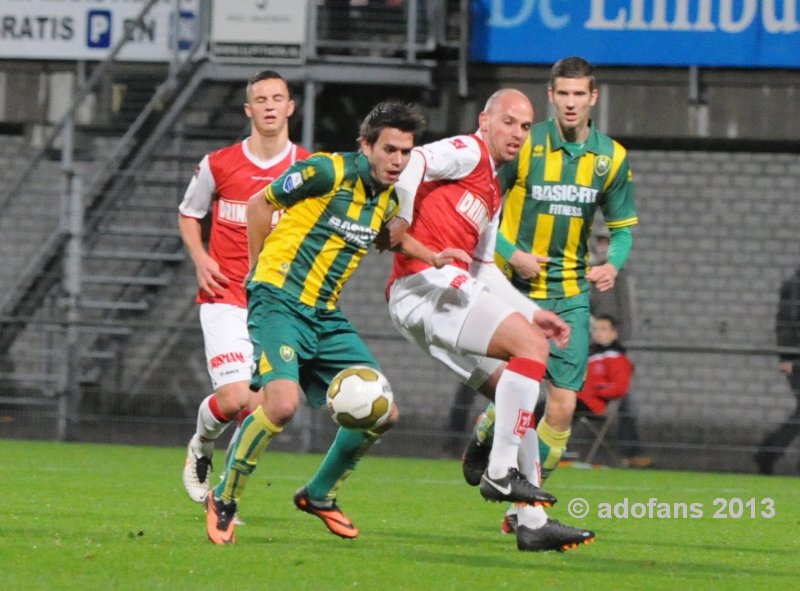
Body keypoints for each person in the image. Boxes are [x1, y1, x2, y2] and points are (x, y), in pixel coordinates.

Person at [204, 101, 461, 545]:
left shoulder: (388, 198)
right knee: (281, 405)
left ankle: (319, 494)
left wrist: (433, 256)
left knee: (384, 414)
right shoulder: (326, 171)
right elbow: (259, 204)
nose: (398, 160)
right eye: (390, 150)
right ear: (366, 145)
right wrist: (256, 268)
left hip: (324, 315)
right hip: (279, 301)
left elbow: (389, 238)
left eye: (405, 152)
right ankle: (225, 495)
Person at [386, 88, 595, 552]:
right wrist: (400, 215)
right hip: (426, 284)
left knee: (522, 394)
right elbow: (416, 159)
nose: (517, 133)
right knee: (532, 352)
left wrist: (532, 311)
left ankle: (532, 522)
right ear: (485, 120)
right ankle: (499, 471)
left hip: (435, 295)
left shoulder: (492, 189)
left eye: (525, 126)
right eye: (508, 122)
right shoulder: (467, 151)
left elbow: (482, 270)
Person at [460, 57, 638, 529]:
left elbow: (621, 230)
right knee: (519, 392)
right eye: (563, 94)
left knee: (561, 407)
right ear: (551, 96)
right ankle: (494, 439)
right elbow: (476, 209)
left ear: (593, 98)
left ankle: (526, 504)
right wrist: (511, 252)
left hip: (570, 292)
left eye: (579, 94)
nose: (571, 103)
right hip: (512, 287)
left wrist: (613, 266)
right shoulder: (524, 142)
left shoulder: (611, 158)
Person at [178, 70, 310, 505]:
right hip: (225, 294)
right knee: (237, 400)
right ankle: (201, 443)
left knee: (267, 405)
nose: (270, 105)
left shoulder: (309, 169)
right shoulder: (219, 163)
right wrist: (201, 259)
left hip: (275, 303)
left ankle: (224, 496)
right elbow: (189, 213)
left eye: (278, 98)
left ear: (291, 107)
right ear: (249, 110)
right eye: (261, 99)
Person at [755, 265, 800, 475]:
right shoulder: (796, 285)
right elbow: (789, 321)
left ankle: (769, 451)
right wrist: (788, 356)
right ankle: (769, 451)